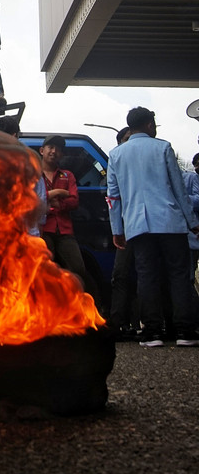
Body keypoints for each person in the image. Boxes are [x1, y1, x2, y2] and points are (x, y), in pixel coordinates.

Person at [107, 106, 199, 347]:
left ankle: (152, 332)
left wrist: (118, 229)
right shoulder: (163, 148)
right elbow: (179, 189)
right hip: (169, 221)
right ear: (149, 125)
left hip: (137, 226)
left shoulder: (116, 155)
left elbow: (113, 197)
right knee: (178, 275)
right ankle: (185, 332)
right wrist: (193, 222)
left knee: (146, 276)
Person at [39, 134, 86, 285]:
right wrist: (57, 192)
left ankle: (79, 305)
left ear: (62, 154)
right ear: (42, 150)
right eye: (50, 147)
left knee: (78, 269)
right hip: (42, 230)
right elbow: (30, 198)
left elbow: (74, 201)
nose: (54, 151)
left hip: (64, 230)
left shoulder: (67, 175)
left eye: (58, 149)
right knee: (44, 271)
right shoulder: (33, 174)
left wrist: (54, 202)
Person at [109, 127, 138, 341]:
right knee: (121, 275)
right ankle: (118, 323)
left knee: (148, 276)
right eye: (126, 139)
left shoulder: (143, 164)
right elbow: (112, 198)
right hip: (125, 230)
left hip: (147, 228)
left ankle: (147, 324)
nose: (130, 143)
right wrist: (117, 231)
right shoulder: (115, 163)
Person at [182, 153, 199, 326]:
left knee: (187, 278)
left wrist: (180, 198)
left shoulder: (190, 178)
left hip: (191, 236)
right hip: (187, 237)